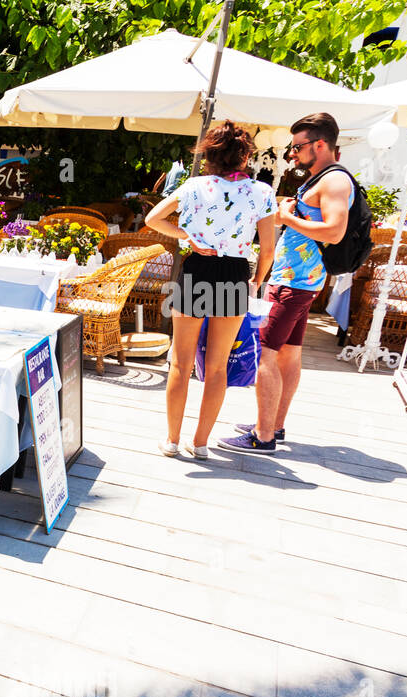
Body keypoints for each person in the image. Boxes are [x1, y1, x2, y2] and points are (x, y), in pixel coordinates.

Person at [219, 113, 353, 455]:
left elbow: (335, 232)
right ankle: (273, 425)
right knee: (289, 355)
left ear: (319, 145)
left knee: (265, 352)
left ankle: (261, 437)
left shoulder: (335, 182)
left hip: (295, 282)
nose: (291, 154)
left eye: (297, 147)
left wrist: (285, 217)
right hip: (300, 281)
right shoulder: (322, 179)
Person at [145, 120, 276, 458]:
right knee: (217, 367)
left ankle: (172, 441)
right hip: (234, 273)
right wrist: (257, 281)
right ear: (244, 157)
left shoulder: (193, 186)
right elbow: (267, 249)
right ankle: (201, 444)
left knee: (180, 363)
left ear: (210, 154)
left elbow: (153, 220)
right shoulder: (261, 192)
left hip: (198, 270)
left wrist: (186, 237)